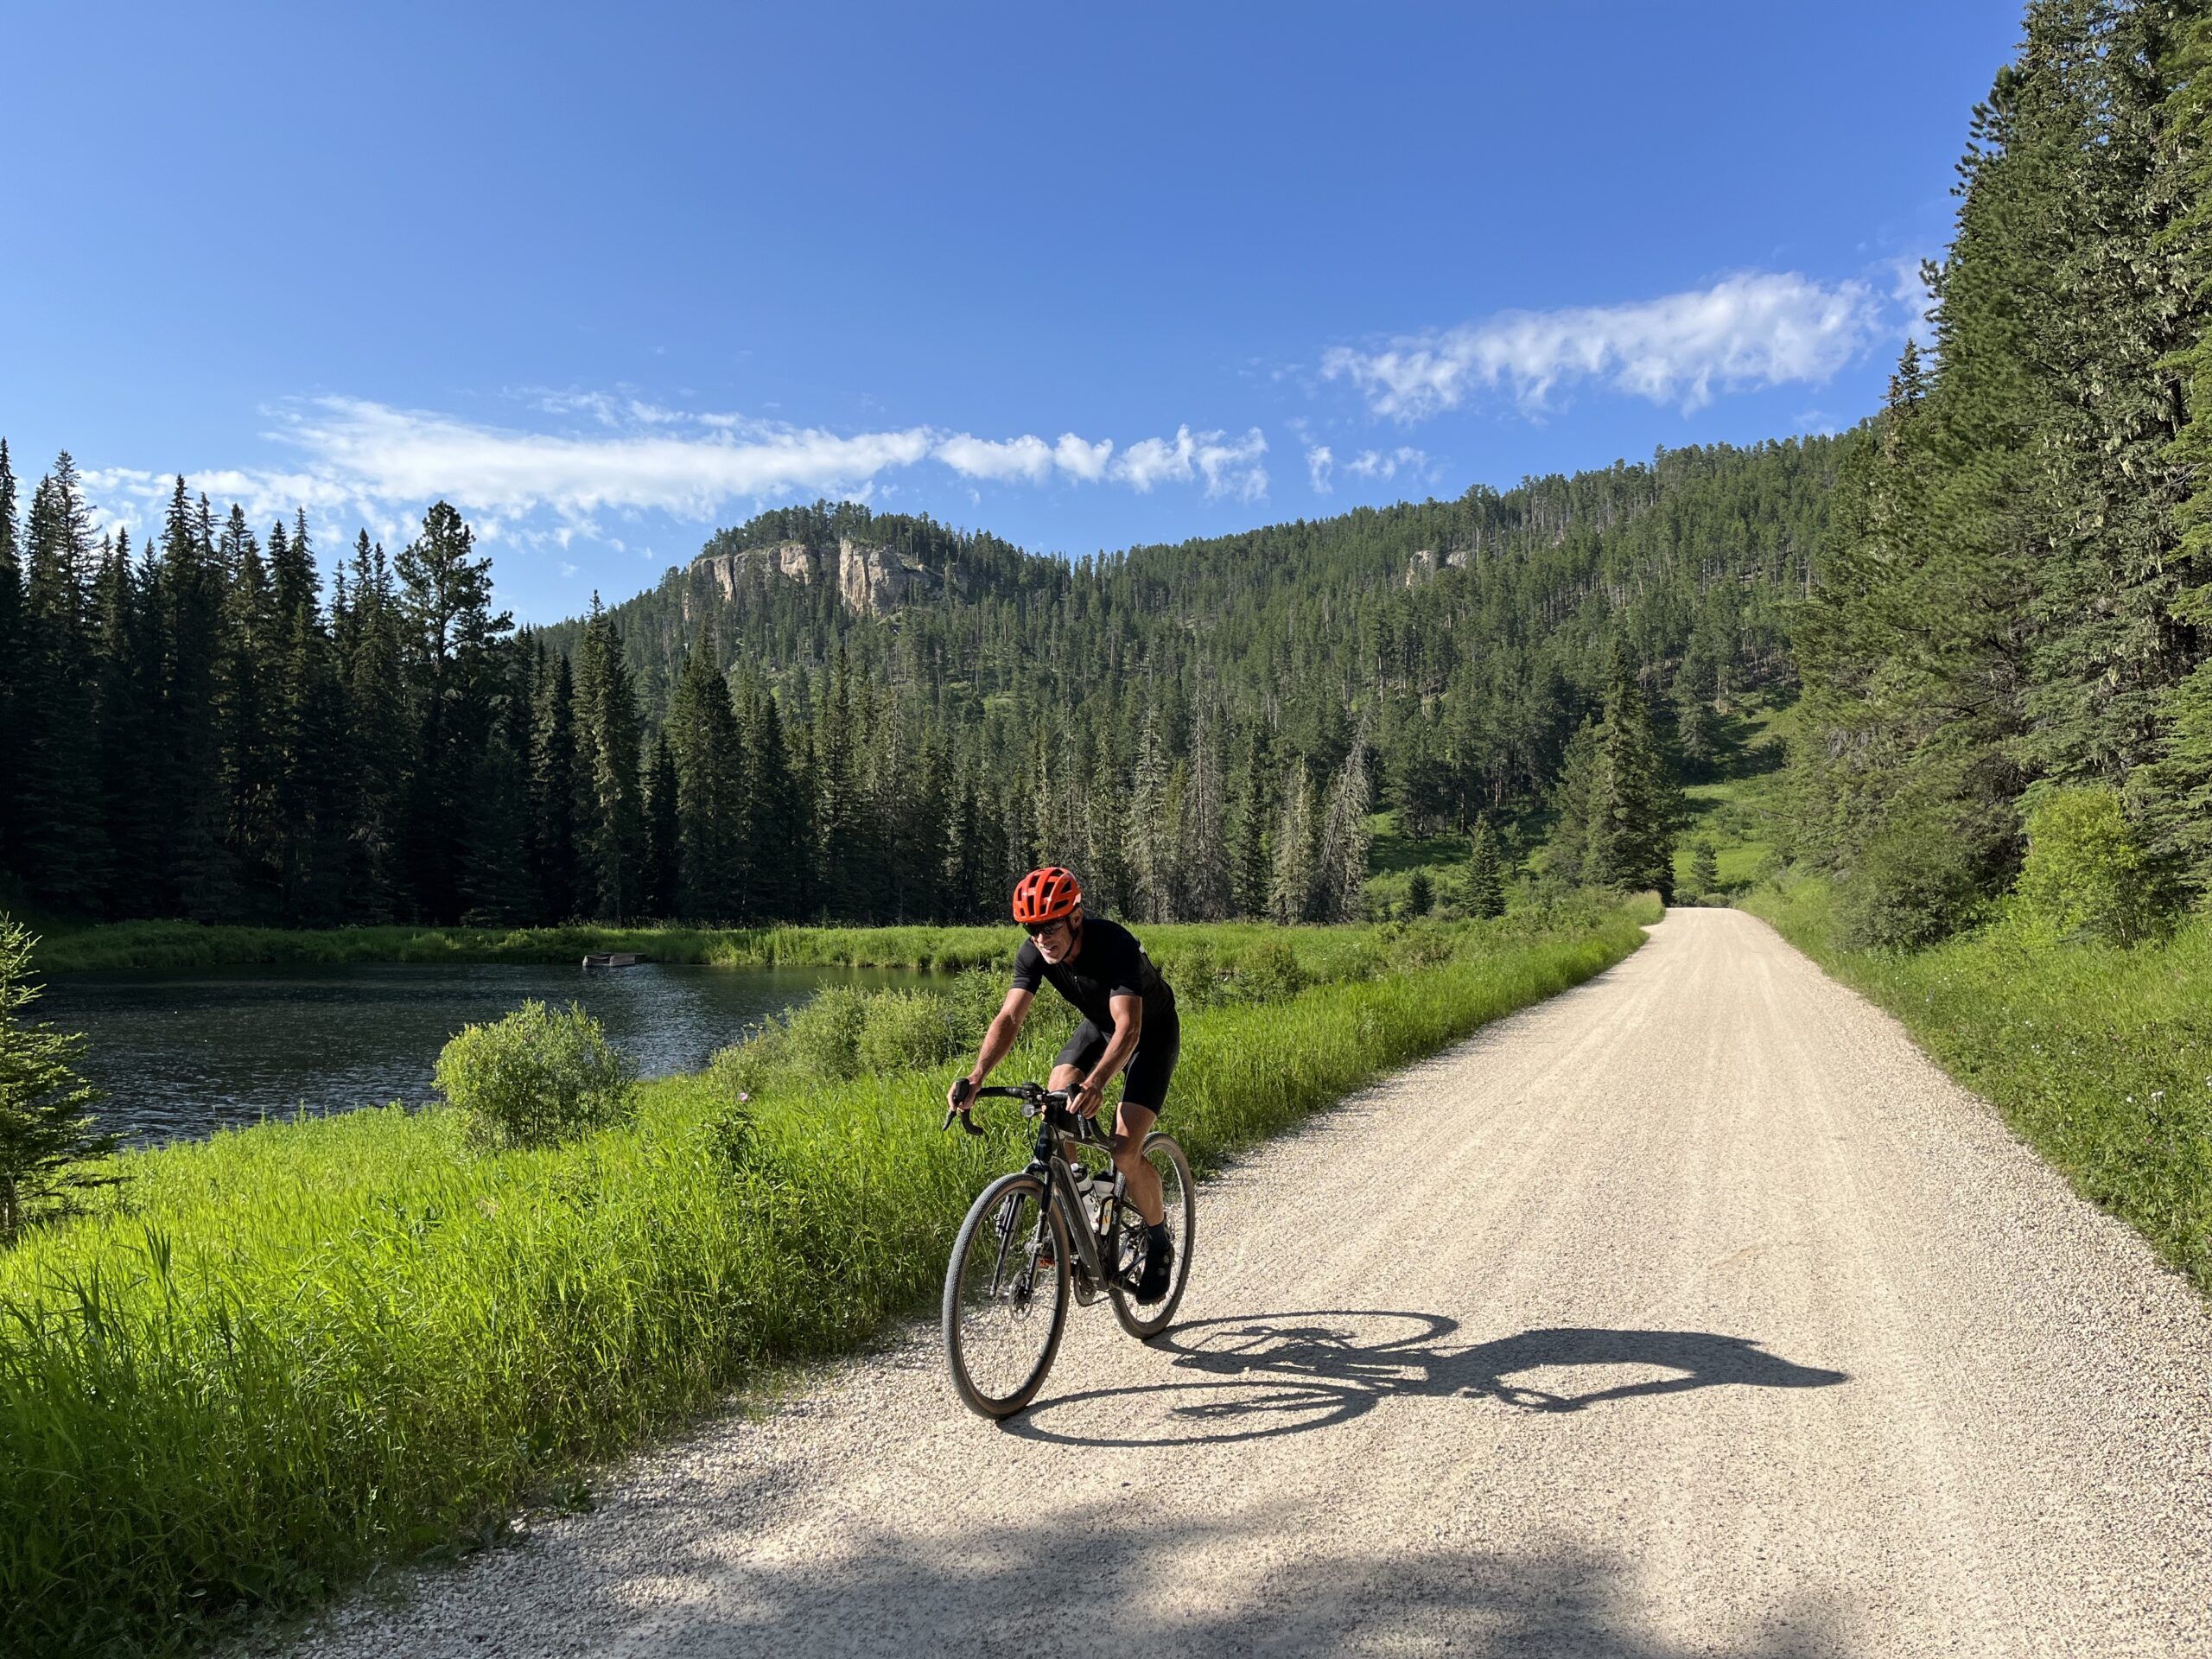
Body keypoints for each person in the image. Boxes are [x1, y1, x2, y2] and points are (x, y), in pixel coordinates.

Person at [948, 866, 1180, 1301]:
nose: (1041, 937)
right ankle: (1078, 1205)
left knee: (1126, 1150)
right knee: (1056, 1094)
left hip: (1151, 1034)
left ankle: (1160, 1241)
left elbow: (1130, 1029)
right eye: (1032, 928)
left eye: (1050, 925)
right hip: (1100, 1027)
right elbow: (1010, 1017)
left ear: (1075, 917)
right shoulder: (1035, 953)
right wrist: (977, 1075)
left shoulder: (1114, 944)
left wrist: (1096, 1084)